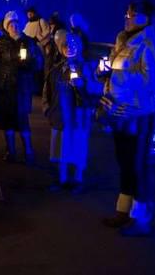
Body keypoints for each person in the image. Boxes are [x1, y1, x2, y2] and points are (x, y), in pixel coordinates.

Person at [98, 0, 155, 237]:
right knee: (125, 161)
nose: (127, 17)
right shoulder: (123, 41)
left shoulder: (150, 43)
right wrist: (106, 81)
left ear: (146, 18)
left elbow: (153, 82)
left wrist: (124, 87)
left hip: (141, 113)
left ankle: (141, 217)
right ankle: (124, 211)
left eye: (133, 14)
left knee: (138, 164)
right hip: (120, 112)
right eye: (126, 12)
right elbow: (118, 75)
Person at [0, 11, 43, 164]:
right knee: (7, 121)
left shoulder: (28, 42)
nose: (14, 26)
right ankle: (11, 151)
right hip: (4, 89)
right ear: (6, 26)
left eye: (16, 23)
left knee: (22, 120)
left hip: (21, 89)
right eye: (11, 24)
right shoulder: (1, 43)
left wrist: (28, 63)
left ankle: (28, 151)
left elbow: (38, 64)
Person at [43, 31, 97, 193]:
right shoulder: (57, 69)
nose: (69, 48)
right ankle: (63, 178)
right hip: (61, 114)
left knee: (78, 145)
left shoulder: (85, 67)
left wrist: (82, 86)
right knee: (61, 147)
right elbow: (48, 90)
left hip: (78, 116)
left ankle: (78, 179)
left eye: (73, 45)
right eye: (66, 45)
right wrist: (48, 110)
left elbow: (94, 90)